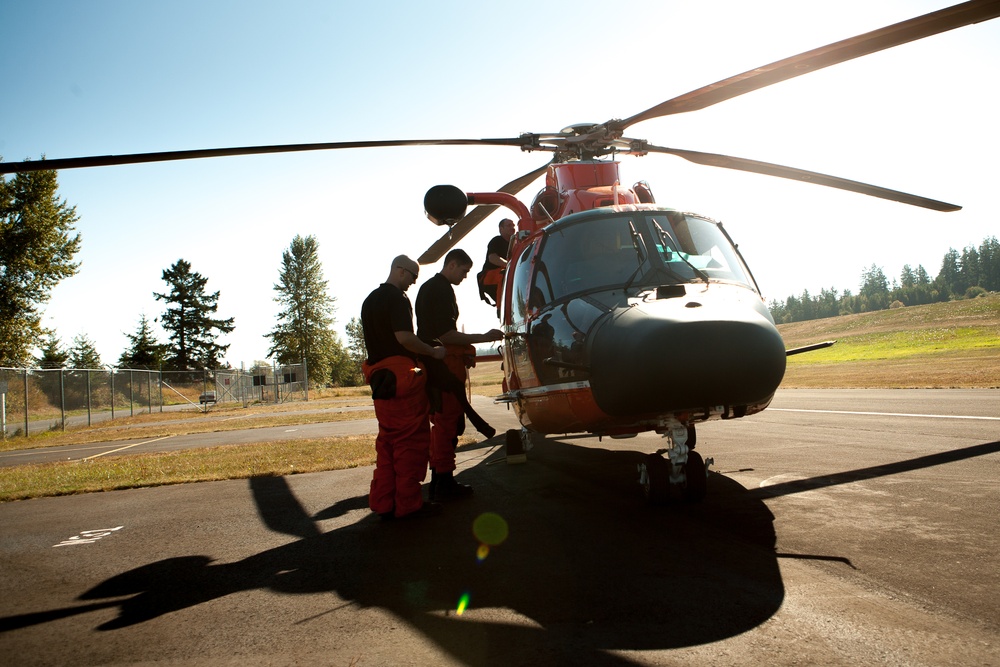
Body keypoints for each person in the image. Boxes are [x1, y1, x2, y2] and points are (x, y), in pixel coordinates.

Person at [360, 255, 447, 520]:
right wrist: (432, 352)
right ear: (400, 270)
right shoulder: (397, 298)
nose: (413, 282)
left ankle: (384, 502)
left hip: (380, 381)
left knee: (387, 443)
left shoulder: (369, 301)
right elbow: (405, 338)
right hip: (403, 378)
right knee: (411, 444)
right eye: (413, 276)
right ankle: (409, 505)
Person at [416, 249, 503, 501]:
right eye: (464, 271)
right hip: (443, 366)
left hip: (435, 365)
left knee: (445, 423)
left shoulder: (431, 288)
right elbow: (446, 335)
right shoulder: (440, 289)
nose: (465, 277)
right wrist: (484, 337)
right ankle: (444, 482)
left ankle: (438, 480)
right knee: (447, 423)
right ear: (452, 265)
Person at [477, 217, 516, 308]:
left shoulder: (516, 244)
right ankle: (501, 308)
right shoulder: (496, 241)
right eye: (509, 225)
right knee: (504, 275)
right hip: (490, 277)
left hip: (504, 276)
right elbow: (492, 258)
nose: (512, 227)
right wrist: (509, 265)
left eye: (513, 225)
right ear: (501, 229)